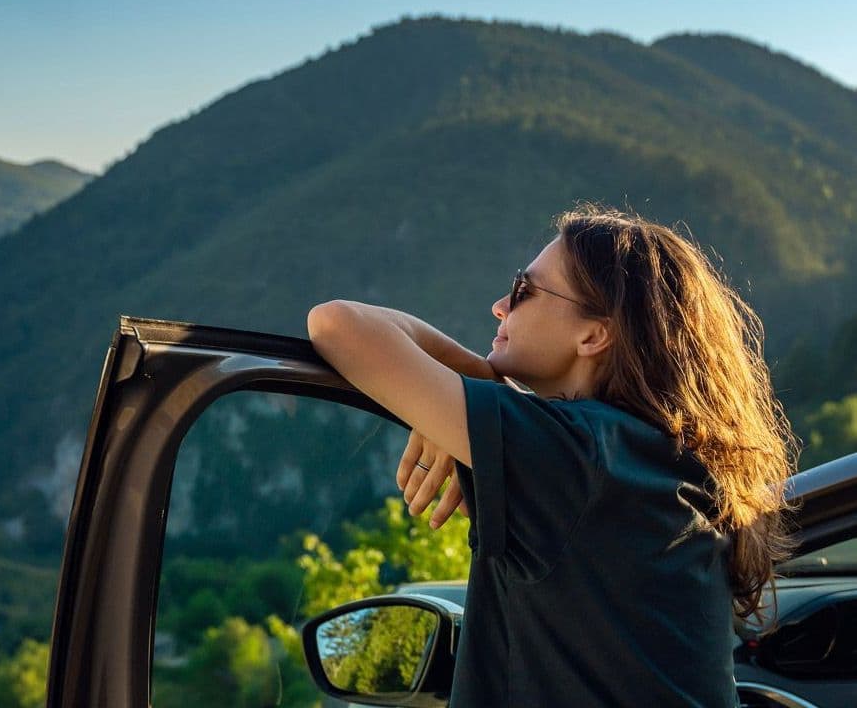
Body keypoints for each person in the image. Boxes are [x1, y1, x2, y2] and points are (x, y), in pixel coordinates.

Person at [306, 203, 799, 707]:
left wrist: (470, 393)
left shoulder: (577, 455)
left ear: (594, 334)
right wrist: (469, 403)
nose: (501, 306)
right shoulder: (664, 461)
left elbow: (336, 325)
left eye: (524, 291)